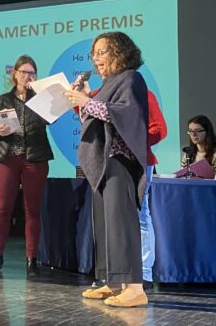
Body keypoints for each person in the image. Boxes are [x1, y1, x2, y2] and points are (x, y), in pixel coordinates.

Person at [66, 32, 149, 308]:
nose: (96, 58)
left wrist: (86, 101)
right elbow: (94, 117)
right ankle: (113, 282)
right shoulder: (108, 83)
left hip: (120, 160)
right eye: (95, 54)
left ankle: (134, 288)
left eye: (102, 52)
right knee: (106, 223)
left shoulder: (131, 79)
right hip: (102, 162)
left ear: (119, 52)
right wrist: (83, 100)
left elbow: (123, 114)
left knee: (122, 223)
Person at [0, 55, 53, 275]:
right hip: (8, 158)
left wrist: (42, 97)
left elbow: (51, 119)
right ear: (15, 74)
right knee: (3, 208)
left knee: (32, 209)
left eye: (31, 73)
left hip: (35, 158)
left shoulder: (41, 98)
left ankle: (32, 259)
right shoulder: (3, 99)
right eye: (23, 72)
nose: (27, 76)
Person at [139, 91, 167, 284]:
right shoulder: (102, 93)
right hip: (111, 163)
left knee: (140, 213)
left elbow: (159, 129)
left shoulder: (142, 94)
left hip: (140, 160)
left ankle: (144, 273)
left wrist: (132, 143)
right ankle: (119, 273)